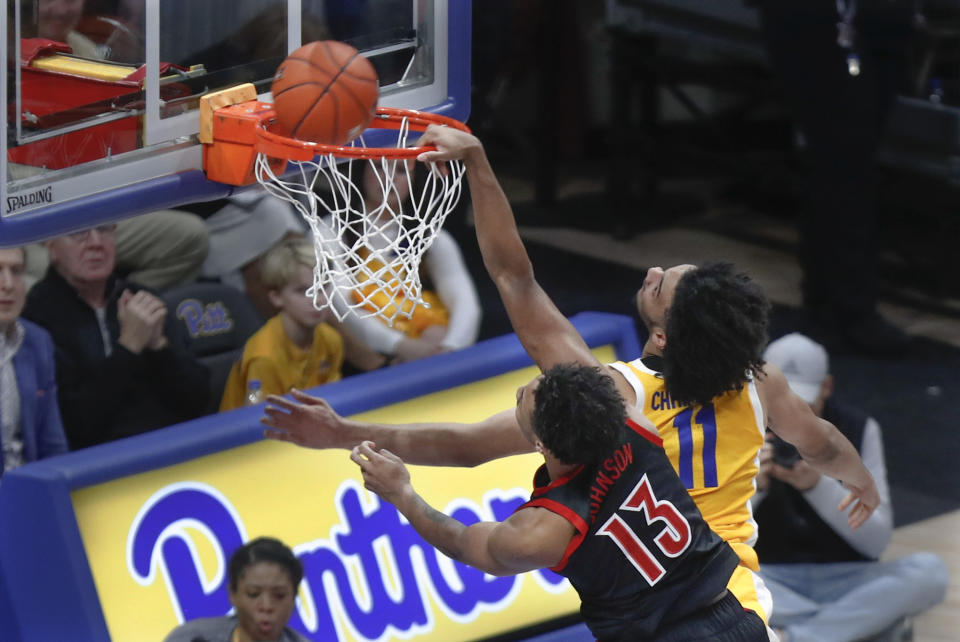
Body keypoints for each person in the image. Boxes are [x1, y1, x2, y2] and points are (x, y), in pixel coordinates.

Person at [259, 129, 882, 634]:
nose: (655, 268)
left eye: (661, 284)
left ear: (663, 336)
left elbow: (472, 429)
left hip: (664, 604)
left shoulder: (612, 402)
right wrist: (859, 480)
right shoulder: (758, 380)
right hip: (738, 602)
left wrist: (345, 435)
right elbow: (822, 444)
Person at [753, 333, 948, 642]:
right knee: (713, 578)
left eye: (803, 403)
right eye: (779, 403)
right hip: (770, 578)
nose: (790, 418)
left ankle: (795, 637)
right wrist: (754, 489)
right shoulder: (739, 425)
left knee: (930, 573)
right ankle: (853, 626)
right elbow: (711, 538)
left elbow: (876, 541)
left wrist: (819, 486)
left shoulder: (858, 429)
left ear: (827, 388)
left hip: (846, 577)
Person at [756, 0, 915, 354]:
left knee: (847, 162)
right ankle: (848, 308)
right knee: (843, 161)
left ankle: (827, 303)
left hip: (881, 21)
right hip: (826, 19)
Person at [21, 223, 210, 450]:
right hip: (100, 462)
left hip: (173, 445)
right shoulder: (36, 316)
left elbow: (199, 402)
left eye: (104, 230)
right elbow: (73, 428)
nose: (96, 243)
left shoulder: (141, 298)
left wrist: (159, 347)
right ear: (51, 248)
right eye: (78, 233)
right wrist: (128, 348)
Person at [338, 160, 482, 364]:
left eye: (400, 170)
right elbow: (340, 307)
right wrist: (400, 346)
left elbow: (465, 303)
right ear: (361, 171)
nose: (388, 177)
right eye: (379, 167)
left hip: (422, 341)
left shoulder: (434, 238)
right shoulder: (331, 233)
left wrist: (451, 348)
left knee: (437, 335)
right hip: (362, 344)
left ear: (415, 180)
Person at [219, 238, 384, 411]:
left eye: (322, 287)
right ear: (276, 297)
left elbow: (332, 402)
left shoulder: (331, 339)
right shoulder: (264, 358)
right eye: (303, 291)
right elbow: (259, 419)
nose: (317, 299)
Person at [0, 247, 68, 476]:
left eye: (16, 271)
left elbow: (53, 446)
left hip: (28, 491)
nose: (8, 284)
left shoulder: (37, 342)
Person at [163, 536, 308, 642]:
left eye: (279, 595)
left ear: (294, 597)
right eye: (253, 594)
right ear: (233, 593)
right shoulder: (191, 638)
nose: (266, 606)